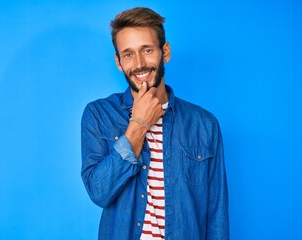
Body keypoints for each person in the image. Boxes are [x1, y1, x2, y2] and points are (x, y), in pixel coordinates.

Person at [81, 7, 229, 240]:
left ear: (165, 52)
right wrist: (139, 124)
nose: (139, 63)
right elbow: (99, 192)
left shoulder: (204, 124)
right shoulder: (98, 114)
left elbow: (216, 214)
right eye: (128, 54)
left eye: (147, 50)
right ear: (118, 62)